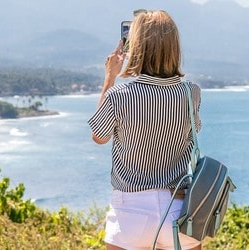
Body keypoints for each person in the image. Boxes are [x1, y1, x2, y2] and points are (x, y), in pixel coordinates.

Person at [88, 10, 202, 250]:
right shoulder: (191, 93)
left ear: (137, 46)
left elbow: (99, 136)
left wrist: (109, 77)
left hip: (130, 211)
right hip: (179, 208)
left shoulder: (120, 96)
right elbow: (192, 134)